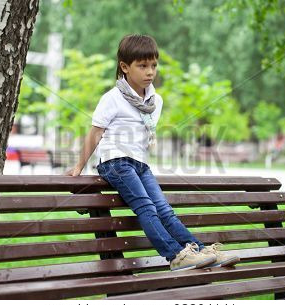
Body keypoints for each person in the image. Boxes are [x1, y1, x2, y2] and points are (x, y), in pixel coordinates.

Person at [66, 34, 240, 271]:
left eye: (154, 65)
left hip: (139, 164)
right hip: (115, 162)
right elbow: (95, 134)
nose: (150, 71)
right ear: (125, 67)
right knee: (146, 207)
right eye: (143, 66)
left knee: (165, 210)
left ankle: (199, 250)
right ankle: (176, 256)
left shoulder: (155, 100)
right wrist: (78, 167)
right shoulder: (112, 99)